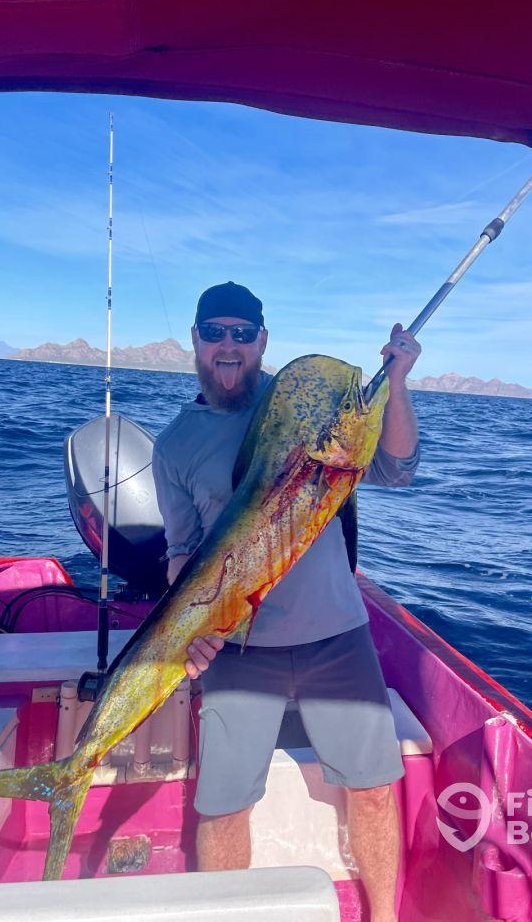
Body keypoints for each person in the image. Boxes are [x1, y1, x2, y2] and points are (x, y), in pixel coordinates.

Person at [152, 281, 421, 922]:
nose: (228, 346)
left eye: (243, 334)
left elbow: (397, 469)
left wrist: (399, 381)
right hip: (239, 649)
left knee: (376, 790)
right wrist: (189, 630)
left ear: (263, 342)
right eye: (215, 332)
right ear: (195, 340)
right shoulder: (175, 444)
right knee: (222, 805)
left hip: (338, 633)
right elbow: (182, 553)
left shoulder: (310, 406)